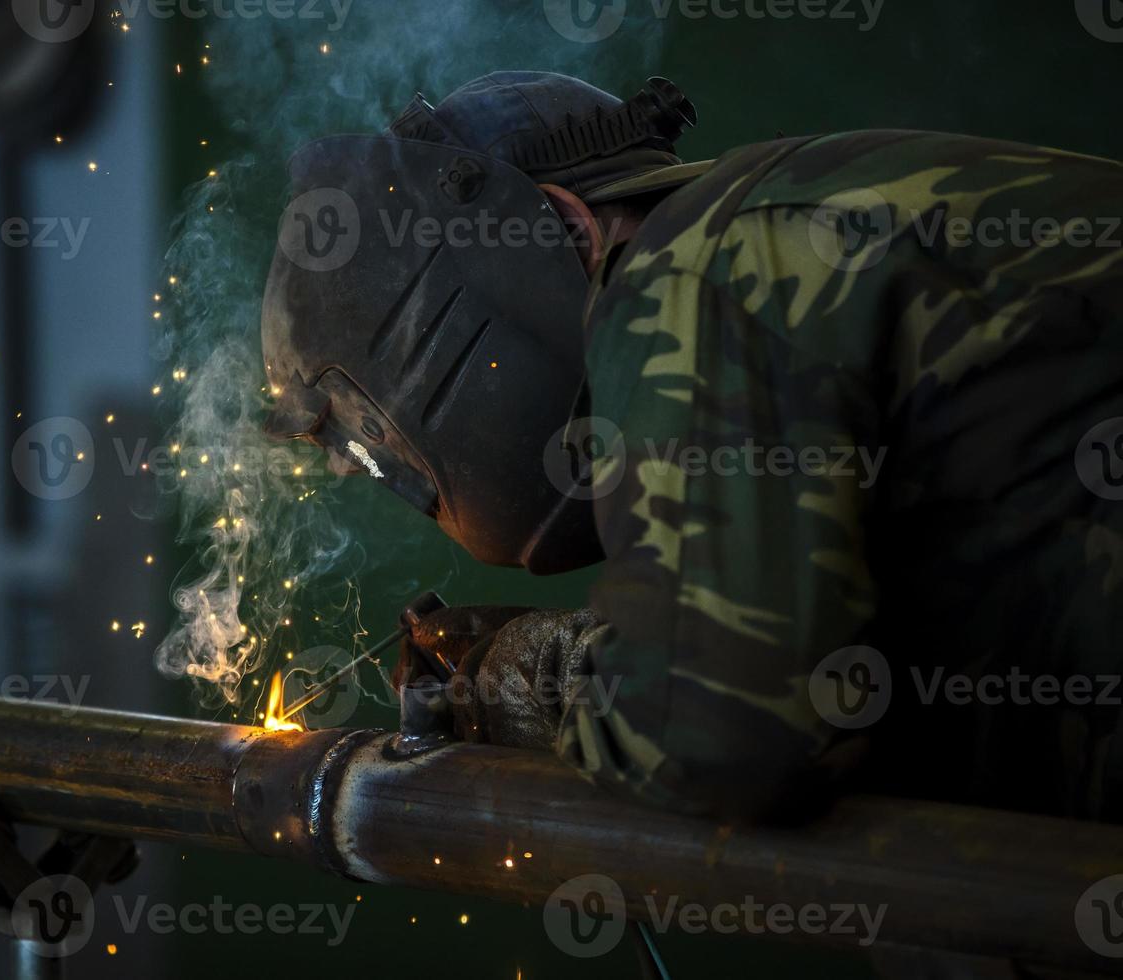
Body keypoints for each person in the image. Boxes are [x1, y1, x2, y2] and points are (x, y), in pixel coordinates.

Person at [260, 71, 1123, 824]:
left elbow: (723, 735)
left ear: (563, 229)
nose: (377, 467)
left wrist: (561, 683)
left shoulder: (702, 265)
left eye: (376, 434)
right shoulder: (795, 237)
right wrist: (611, 657)